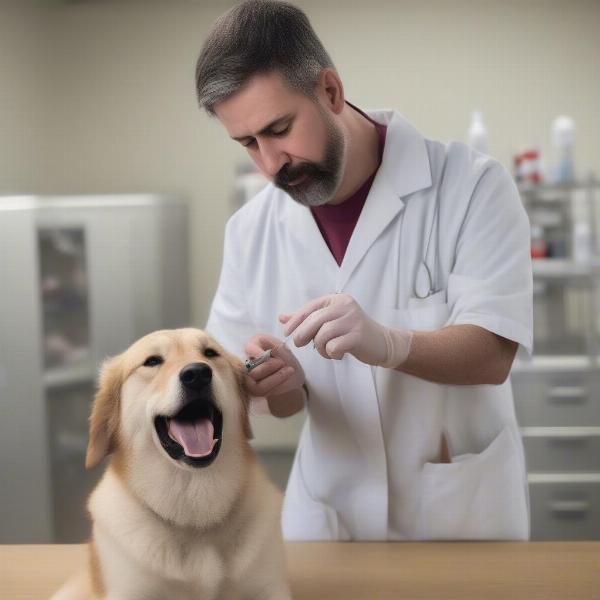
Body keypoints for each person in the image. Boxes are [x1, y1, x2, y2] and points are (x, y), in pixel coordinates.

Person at [196, 0, 533, 541]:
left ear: (330, 90)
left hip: (458, 516)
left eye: (278, 129)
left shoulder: (470, 186)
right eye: (247, 143)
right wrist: (276, 381)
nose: (270, 164)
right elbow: (260, 398)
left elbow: (494, 354)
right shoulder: (250, 230)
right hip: (328, 520)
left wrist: (389, 343)